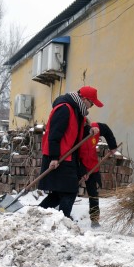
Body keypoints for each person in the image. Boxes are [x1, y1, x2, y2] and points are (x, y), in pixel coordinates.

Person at [38, 86, 103, 218]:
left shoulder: (77, 111)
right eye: (91, 103)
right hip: (59, 157)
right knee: (69, 191)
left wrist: (89, 130)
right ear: (84, 99)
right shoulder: (65, 109)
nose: (91, 107)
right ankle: (63, 219)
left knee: (60, 192)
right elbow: (54, 134)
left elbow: (76, 133)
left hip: (69, 156)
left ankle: (38, 215)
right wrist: (54, 157)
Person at [79, 119, 118, 228]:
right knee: (70, 192)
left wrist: (112, 146)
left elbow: (106, 130)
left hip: (93, 166)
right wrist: (82, 171)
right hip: (79, 166)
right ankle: (63, 216)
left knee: (94, 194)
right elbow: (75, 156)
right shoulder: (76, 134)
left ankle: (95, 220)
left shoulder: (95, 128)